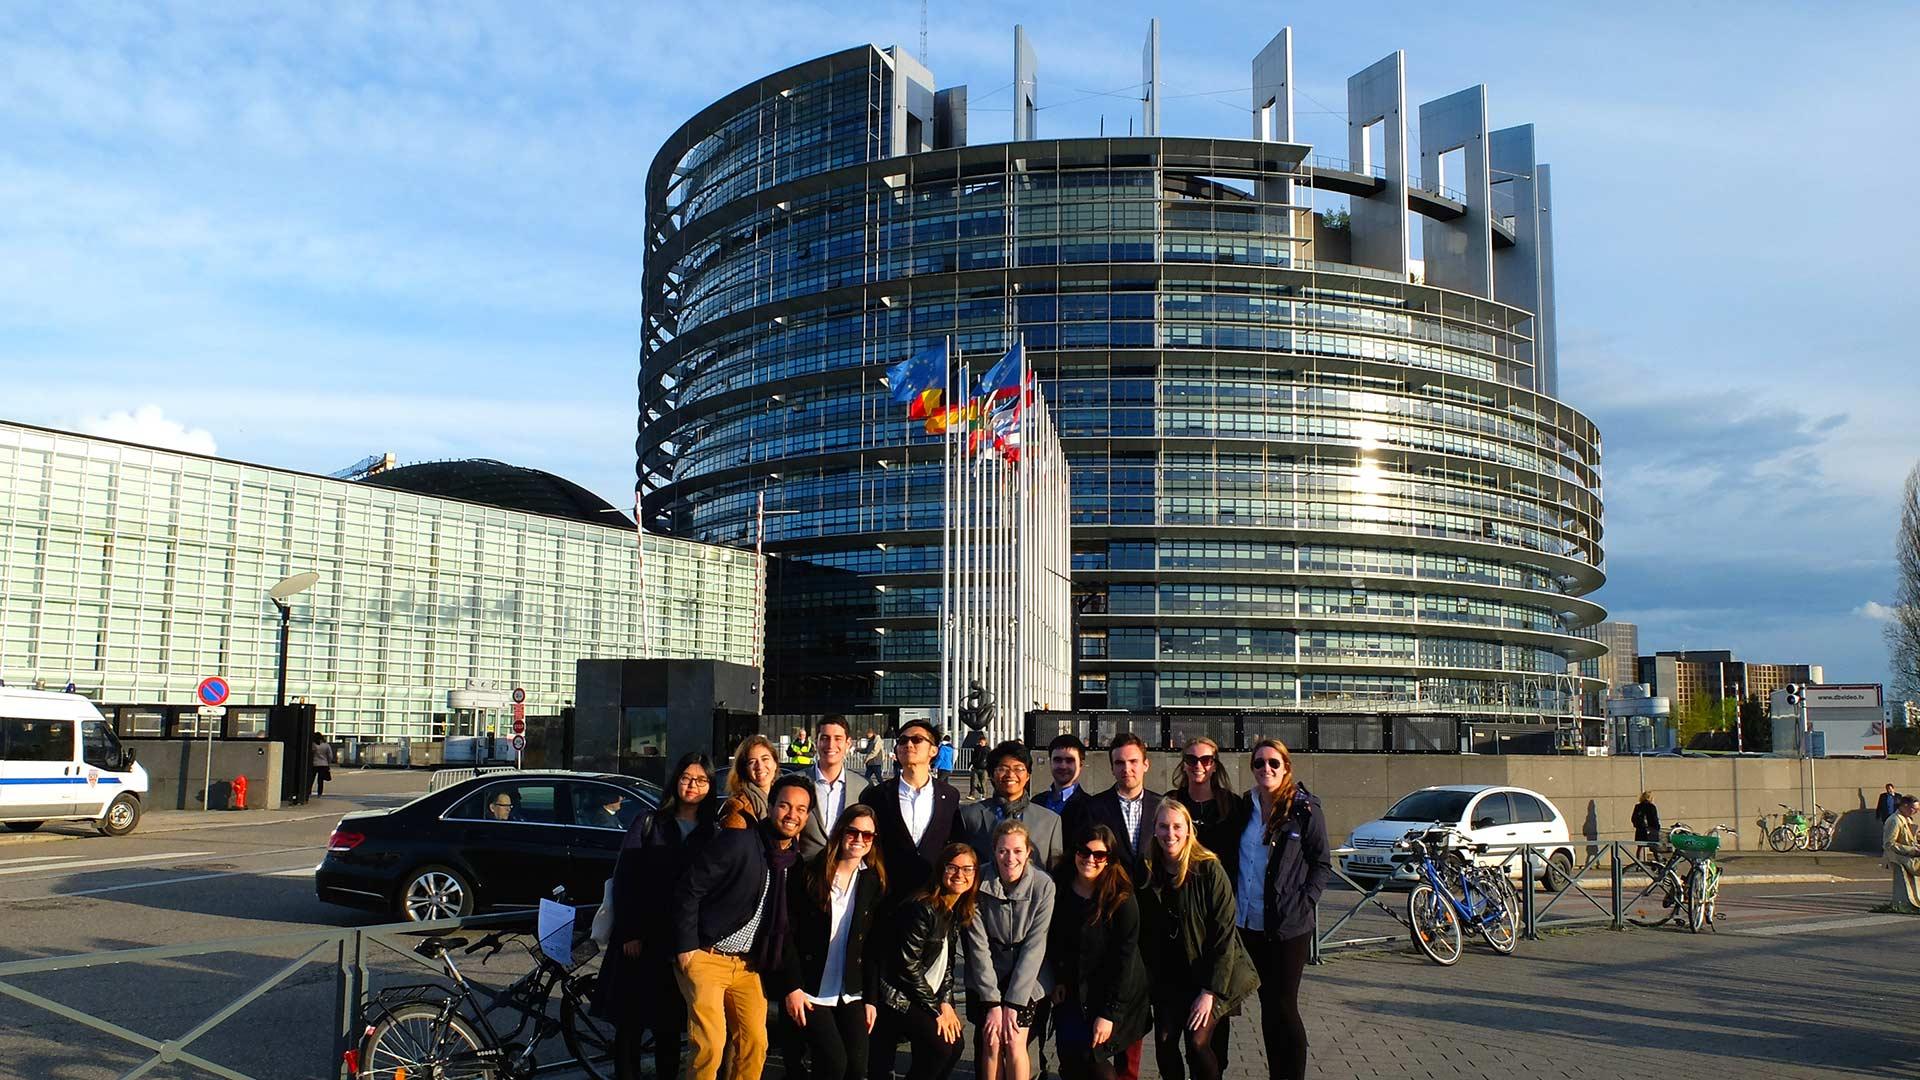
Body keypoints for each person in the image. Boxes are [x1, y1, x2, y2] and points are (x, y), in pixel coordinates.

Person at [673, 774, 813, 1080]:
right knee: (710, 1044)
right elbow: (690, 888)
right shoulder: (739, 841)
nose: (792, 814)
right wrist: (686, 947)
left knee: (755, 1044)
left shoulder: (793, 863)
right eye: (785, 805)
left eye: (801, 809)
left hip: (749, 964)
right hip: (707, 955)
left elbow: (787, 927)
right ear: (771, 807)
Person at [596, 753, 715, 1080]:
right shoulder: (649, 822)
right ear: (675, 781)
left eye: (701, 780)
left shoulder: (711, 832)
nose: (692, 786)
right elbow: (626, 877)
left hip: (678, 944)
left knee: (669, 1028)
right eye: (686, 778)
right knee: (630, 1026)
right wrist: (630, 931)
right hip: (639, 939)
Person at [1219, 738, 1327, 1080]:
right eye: (1259, 763)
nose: (1266, 768)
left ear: (1286, 767)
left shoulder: (1304, 809)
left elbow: (1321, 863)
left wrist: (1305, 900)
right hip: (1248, 923)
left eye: (1273, 763)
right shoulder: (1245, 807)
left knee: (1284, 1006)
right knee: (1267, 1006)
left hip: (1287, 926)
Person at [1140, 800, 1259, 1080]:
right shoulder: (1148, 869)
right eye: (1163, 826)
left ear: (1188, 830)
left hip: (1212, 974)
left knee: (1197, 1042)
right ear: (1154, 829)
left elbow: (1224, 936)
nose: (1170, 834)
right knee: (1165, 1041)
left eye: (1177, 826)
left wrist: (1209, 992)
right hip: (1171, 976)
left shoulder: (1208, 869)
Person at [770, 804, 887, 1080]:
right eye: (853, 832)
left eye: (867, 835)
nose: (859, 840)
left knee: (857, 1068)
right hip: (810, 989)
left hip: (850, 990)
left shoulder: (872, 880)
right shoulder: (809, 873)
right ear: (840, 832)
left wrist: (871, 1000)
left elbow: (872, 946)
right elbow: (787, 934)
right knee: (834, 1064)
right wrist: (792, 987)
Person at [1048, 825, 1149, 1080]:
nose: (1090, 859)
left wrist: (1109, 1014)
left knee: (1103, 1066)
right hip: (1074, 989)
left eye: (1099, 855)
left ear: (1109, 859)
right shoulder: (1060, 885)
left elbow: (1124, 959)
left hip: (1115, 992)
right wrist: (1058, 978)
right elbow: (1055, 938)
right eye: (1084, 851)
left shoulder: (1122, 898)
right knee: (1072, 1058)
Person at [870, 842, 976, 1080]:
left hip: (924, 995)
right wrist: (936, 1009)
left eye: (967, 869)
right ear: (941, 870)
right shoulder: (923, 908)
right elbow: (908, 967)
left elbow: (947, 966)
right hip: (899, 996)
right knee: (941, 1047)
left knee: (955, 1045)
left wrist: (946, 1003)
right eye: (952, 867)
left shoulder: (954, 910)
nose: (960, 875)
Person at [963, 820, 1056, 1080]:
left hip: (1029, 975)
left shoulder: (1043, 885)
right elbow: (977, 944)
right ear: (994, 850)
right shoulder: (978, 880)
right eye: (1003, 851)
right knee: (992, 1039)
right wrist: (992, 1001)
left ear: (1028, 852)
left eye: (1017, 851)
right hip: (989, 970)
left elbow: (1036, 945)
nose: (1010, 858)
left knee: (1014, 1040)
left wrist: (1014, 1002)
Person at [859, 718, 962, 903]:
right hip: (886, 897)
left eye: (917, 740)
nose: (908, 744)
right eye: (902, 740)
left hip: (933, 897)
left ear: (933, 750)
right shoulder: (876, 795)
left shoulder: (949, 796)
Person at [1064, 733, 1162, 886]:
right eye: (1119, 763)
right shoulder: (1093, 808)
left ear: (1146, 765)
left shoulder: (1161, 806)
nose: (1126, 768)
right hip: (1109, 892)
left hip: (1154, 893)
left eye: (1133, 761)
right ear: (1112, 768)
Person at [958, 742, 1065, 873]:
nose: (1010, 775)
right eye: (1002, 769)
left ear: (1028, 775)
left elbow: (1055, 871)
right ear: (991, 774)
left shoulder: (1050, 821)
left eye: (1018, 769)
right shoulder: (969, 815)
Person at [1166, 736, 1236, 858]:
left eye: (1206, 760)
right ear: (1184, 765)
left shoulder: (1232, 803)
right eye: (1191, 760)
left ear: (1214, 766)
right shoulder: (1172, 801)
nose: (1198, 765)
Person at [799, 716, 857, 858]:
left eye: (838, 738)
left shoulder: (863, 787)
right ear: (816, 742)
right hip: (804, 867)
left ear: (848, 743)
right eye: (825, 738)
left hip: (845, 865)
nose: (831, 745)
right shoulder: (796, 782)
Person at [720, 734, 781, 829]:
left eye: (765, 759)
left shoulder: (784, 799)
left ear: (775, 763)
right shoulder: (738, 806)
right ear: (744, 770)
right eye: (752, 762)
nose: (759, 766)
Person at [1034, 734, 1090, 816]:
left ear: (1080, 764)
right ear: (1050, 762)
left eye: (1069, 760)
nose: (1063, 766)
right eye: (1058, 760)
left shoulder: (1091, 808)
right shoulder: (1036, 803)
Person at [1884, 794, 1920, 915]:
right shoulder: (1894, 820)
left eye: (1918, 809)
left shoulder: (1907, 819)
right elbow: (1889, 844)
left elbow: (1911, 838)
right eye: (1914, 809)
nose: (1916, 812)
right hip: (1898, 856)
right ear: (1904, 806)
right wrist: (1913, 850)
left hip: (1908, 854)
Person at [1631, 791, 1661, 864]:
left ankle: (1638, 863)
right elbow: (1654, 819)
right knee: (1654, 847)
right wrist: (1657, 828)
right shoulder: (1651, 806)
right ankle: (1659, 862)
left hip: (1640, 830)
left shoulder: (1638, 806)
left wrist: (1637, 826)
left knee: (1639, 847)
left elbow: (1633, 818)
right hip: (1651, 830)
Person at [967, 729, 992, 796]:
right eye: (980, 742)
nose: (981, 743)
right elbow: (973, 756)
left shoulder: (988, 749)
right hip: (976, 767)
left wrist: (989, 767)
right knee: (974, 783)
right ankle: (977, 792)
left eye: (982, 742)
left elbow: (990, 758)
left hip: (984, 768)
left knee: (983, 783)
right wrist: (971, 763)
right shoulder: (977, 748)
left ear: (985, 742)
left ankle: (984, 795)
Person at [309, 732, 334, 797]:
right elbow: (330, 756)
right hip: (324, 764)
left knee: (311, 779)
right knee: (320, 780)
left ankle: (308, 791)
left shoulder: (313, 745)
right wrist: (328, 763)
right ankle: (319, 793)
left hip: (315, 763)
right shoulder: (326, 745)